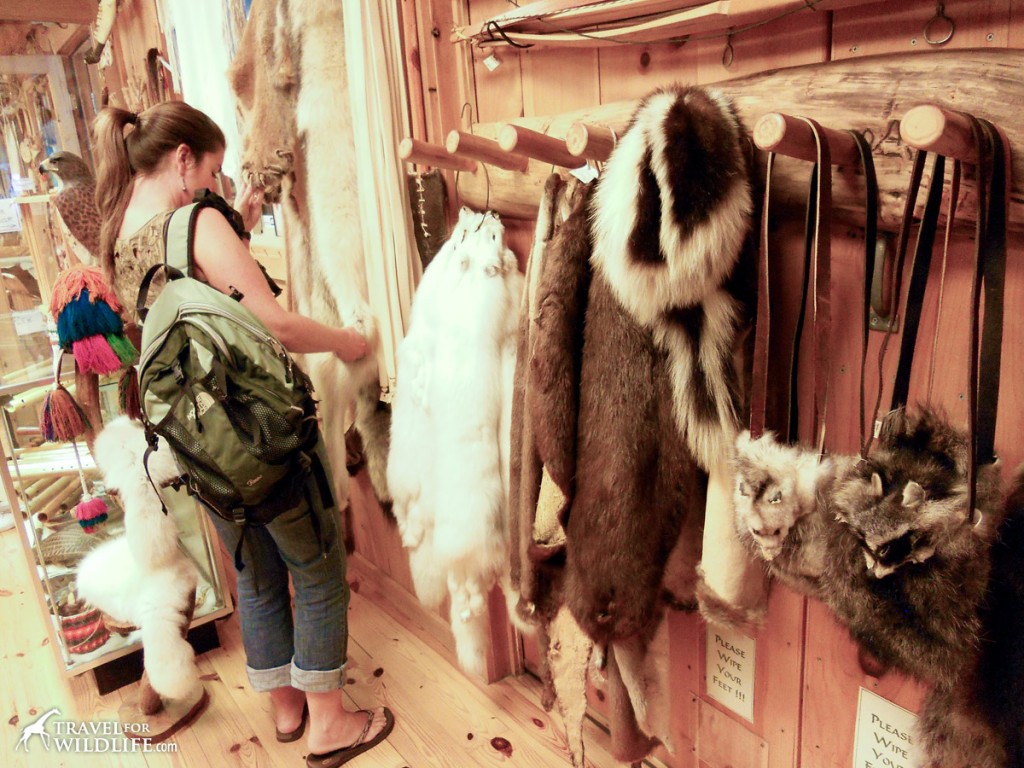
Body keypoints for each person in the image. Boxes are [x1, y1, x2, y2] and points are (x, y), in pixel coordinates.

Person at [92, 101, 393, 768]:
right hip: (259, 434)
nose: (215, 187)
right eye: (212, 171)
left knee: (256, 578)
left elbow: (193, 302)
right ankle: (330, 724)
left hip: (200, 452)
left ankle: (285, 710)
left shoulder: (121, 237)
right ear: (181, 160)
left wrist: (244, 222)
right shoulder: (195, 221)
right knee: (317, 574)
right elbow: (276, 325)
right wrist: (349, 342)